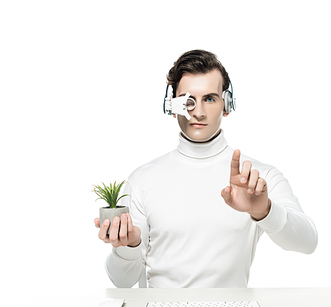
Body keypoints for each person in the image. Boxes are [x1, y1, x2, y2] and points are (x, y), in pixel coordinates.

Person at [94, 50, 318, 288]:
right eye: (188, 101)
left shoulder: (257, 178)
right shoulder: (142, 180)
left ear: (227, 104)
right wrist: (130, 246)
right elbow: (122, 281)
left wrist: (264, 210)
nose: (198, 112)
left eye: (209, 99)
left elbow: (308, 242)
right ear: (172, 106)